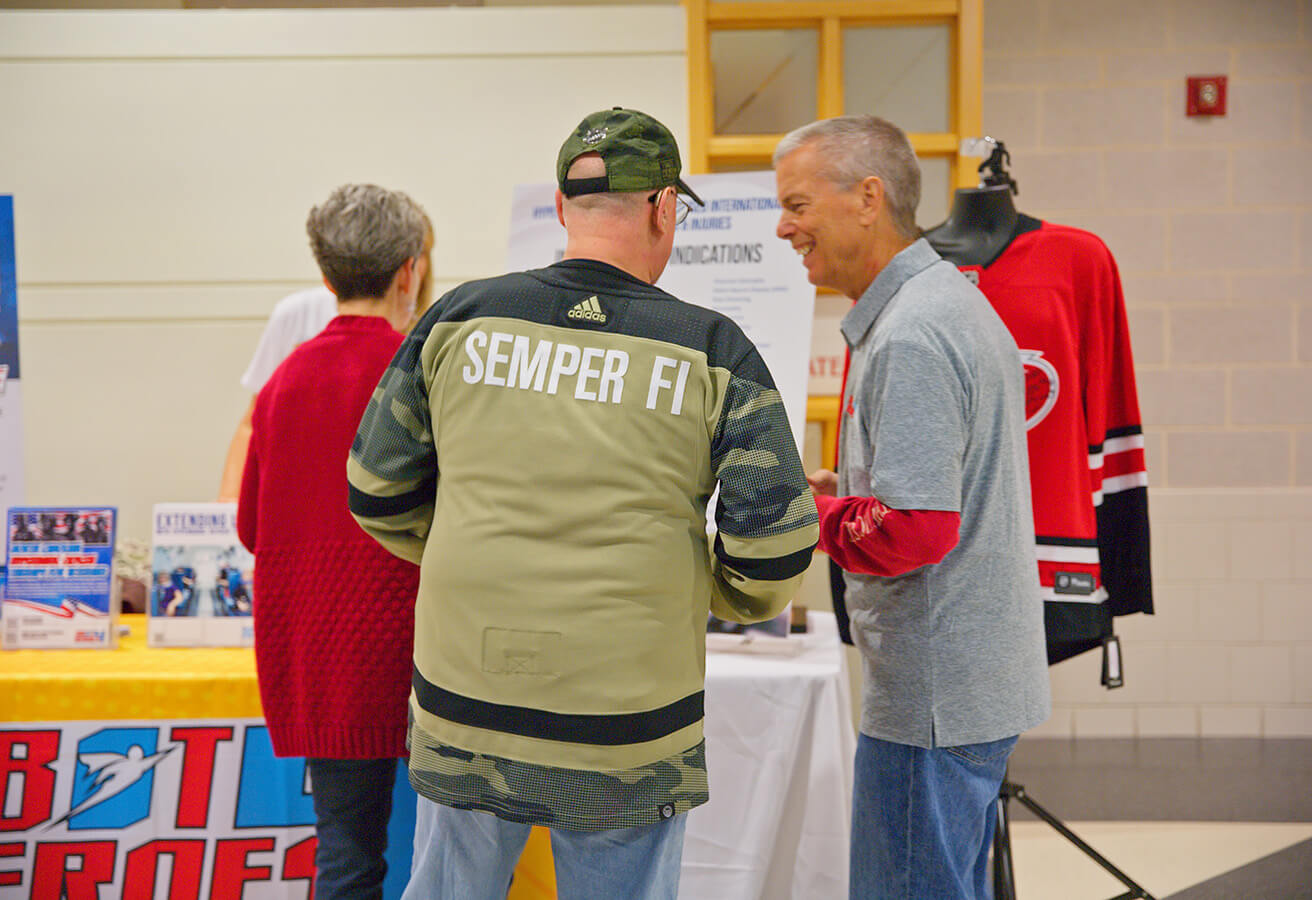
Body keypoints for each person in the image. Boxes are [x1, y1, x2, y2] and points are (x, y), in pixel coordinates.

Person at [347, 107, 818, 900]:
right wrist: (711, 591)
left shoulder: (459, 319)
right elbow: (772, 550)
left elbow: (375, 489)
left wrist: (466, 544)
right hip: (627, 725)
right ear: (664, 208)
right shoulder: (712, 348)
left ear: (564, 209)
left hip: (469, 703)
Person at [772, 115, 1050, 900]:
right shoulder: (931, 305)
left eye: (797, 203)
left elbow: (915, 531)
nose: (784, 225)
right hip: (962, 687)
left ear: (868, 198)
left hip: (935, 698)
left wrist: (801, 514)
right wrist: (845, 498)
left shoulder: (913, 334)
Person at [237, 183, 428, 899]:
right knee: (458, 864)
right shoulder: (424, 374)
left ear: (326, 274)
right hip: (430, 658)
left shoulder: (283, 383)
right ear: (410, 269)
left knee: (347, 861)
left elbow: (253, 527)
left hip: (325, 660)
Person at [218, 214, 436, 501]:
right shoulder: (299, 314)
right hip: (308, 503)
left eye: (419, 252)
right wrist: (227, 505)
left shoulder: (432, 335)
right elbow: (253, 423)